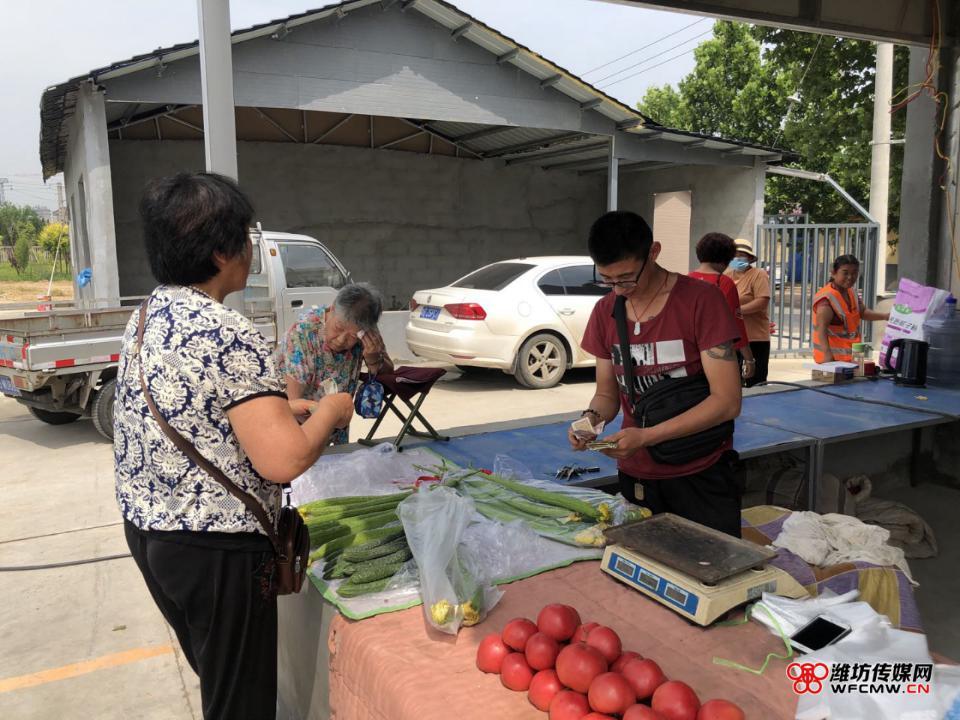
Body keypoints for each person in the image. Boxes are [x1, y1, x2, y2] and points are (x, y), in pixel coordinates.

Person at [115, 173, 354, 720]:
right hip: (215, 549)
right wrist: (332, 410)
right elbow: (285, 460)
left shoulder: (149, 313)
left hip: (150, 530)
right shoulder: (228, 331)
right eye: (246, 236)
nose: (251, 248)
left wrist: (280, 410)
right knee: (240, 703)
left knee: (218, 676)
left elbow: (193, 407)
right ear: (224, 251)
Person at [570, 211, 744, 537]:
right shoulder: (605, 312)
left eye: (626, 277)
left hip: (700, 471)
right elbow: (608, 395)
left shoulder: (701, 301)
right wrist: (589, 422)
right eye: (607, 280)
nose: (619, 289)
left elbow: (727, 402)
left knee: (710, 572)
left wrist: (647, 437)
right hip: (637, 477)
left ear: (654, 252)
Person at [276, 283, 394, 445]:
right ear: (332, 309)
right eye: (338, 327)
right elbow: (292, 406)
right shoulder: (302, 334)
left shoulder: (365, 332)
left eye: (352, 336)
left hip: (338, 429)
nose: (341, 339)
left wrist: (373, 358)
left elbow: (387, 374)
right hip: (301, 433)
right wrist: (332, 414)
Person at [689, 232, 755, 383]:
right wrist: (749, 359)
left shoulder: (685, 280)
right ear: (726, 259)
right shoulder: (724, 283)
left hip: (690, 356)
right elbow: (736, 324)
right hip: (717, 356)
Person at [812, 254, 890, 363]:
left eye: (854, 273)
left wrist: (886, 316)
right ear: (834, 273)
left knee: (864, 378)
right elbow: (822, 329)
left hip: (855, 354)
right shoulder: (826, 299)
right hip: (834, 360)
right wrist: (827, 356)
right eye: (845, 273)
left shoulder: (851, 291)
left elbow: (862, 312)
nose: (850, 277)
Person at [726, 239, 771, 387]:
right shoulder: (727, 275)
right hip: (732, 338)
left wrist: (736, 312)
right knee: (733, 383)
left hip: (755, 338)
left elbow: (762, 301)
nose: (737, 259)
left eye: (741, 255)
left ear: (750, 258)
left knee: (755, 382)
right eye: (734, 255)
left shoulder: (759, 274)